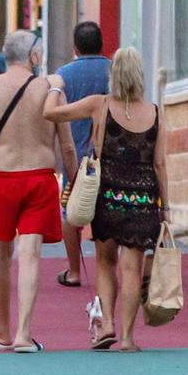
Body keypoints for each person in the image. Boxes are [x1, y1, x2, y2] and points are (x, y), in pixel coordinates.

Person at [0, 28, 74, 352]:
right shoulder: (50, 89)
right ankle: (24, 333)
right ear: (33, 55)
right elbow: (66, 145)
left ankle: (4, 330)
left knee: (0, 252)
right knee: (31, 254)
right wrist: (74, 181)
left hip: (1, 177)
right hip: (39, 177)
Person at [44, 46, 167, 352]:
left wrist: (56, 86)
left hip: (107, 196)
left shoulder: (99, 105)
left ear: (113, 75)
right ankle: (126, 338)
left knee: (105, 263)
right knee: (131, 269)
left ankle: (107, 325)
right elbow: (160, 165)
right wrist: (168, 208)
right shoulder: (155, 112)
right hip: (143, 199)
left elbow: (50, 113)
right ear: (139, 76)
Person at [53, 20, 111, 297]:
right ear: (102, 44)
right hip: (110, 152)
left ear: (75, 47)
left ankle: (74, 270)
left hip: (76, 153)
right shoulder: (114, 71)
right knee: (107, 209)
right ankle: (108, 267)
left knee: (71, 210)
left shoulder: (64, 74)